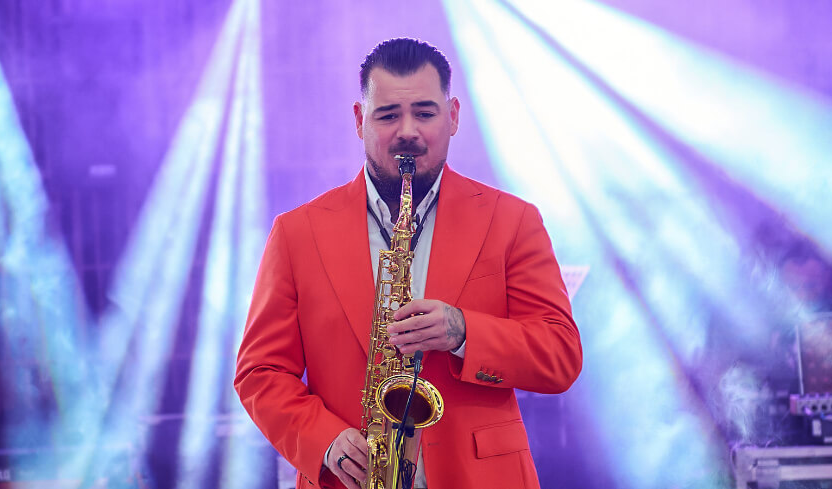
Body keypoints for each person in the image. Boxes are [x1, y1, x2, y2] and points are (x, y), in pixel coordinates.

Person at [234, 38, 582, 489]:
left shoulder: (513, 220)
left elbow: (560, 355)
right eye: (387, 115)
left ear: (453, 116)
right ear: (359, 120)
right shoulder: (296, 232)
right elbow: (260, 373)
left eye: (424, 113)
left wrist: (463, 331)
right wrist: (325, 441)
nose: (408, 131)